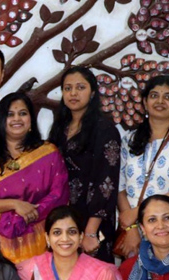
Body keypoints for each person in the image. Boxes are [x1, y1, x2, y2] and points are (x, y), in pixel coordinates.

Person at [0, 92, 69, 264]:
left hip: (43, 241)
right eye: (10, 114)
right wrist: (15, 205)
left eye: (23, 113)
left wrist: (29, 214)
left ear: (31, 120)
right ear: (1, 120)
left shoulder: (48, 153)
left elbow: (59, 195)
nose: (17, 119)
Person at [117, 75, 169, 257]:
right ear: (145, 102)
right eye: (154, 95)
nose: (160, 101)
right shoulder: (129, 139)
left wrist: (137, 213)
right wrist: (131, 228)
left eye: (168, 97)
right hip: (135, 235)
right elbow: (120, 188)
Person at [48, 67, 120, 263]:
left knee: (93, 276)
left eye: (80, 87)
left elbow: (106, 182)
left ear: (93, 92)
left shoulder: (104, 129)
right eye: (68, 88)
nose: (73, 93)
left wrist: (90, 231)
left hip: (92, 220)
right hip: (62, 217)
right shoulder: (59, 128)